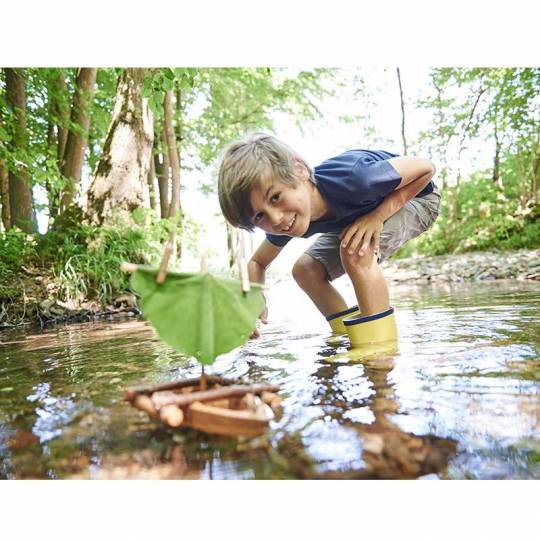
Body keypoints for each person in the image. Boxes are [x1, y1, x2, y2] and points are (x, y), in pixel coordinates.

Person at [217, 133, 440, 345]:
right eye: (259, 216)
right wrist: (251, 304)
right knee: (306, 269)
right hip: (363, 213)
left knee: (355, 250)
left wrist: (378, 217)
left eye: (276, 197)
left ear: (300, 171)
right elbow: (258, 262)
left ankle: (379, 351)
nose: (276, 219)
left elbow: (425, 168)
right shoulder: (287, 220)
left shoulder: (356, 179)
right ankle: (346, 335)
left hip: (417, 198)